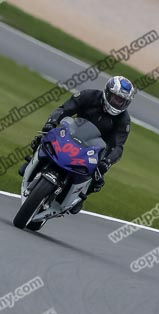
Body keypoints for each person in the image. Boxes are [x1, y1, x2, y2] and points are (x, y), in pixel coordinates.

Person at [20, 76, 135, 213]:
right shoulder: (88, 95)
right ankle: (32, 163)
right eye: (116, 98)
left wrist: (107, 162)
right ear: (107, 92)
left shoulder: (124, 120)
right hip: (72, 133)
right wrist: (51, 122)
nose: (118, 103)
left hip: (96, 148)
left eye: (122, 101)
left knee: (98, 178)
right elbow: (64, 109)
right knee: (43, 138)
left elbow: (118, 146)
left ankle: (80, 197)